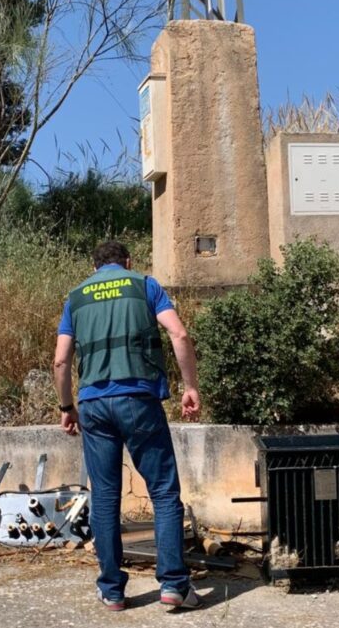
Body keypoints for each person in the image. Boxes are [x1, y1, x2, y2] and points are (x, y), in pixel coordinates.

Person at [52, 240, 203, 612]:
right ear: (128, 262)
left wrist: (66, 406)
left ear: (94, 268)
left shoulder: (76, 297)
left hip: (93, 405)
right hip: (139, 400)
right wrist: (190, 386)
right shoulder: (145, 285)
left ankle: (112, 589)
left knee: (104, 495)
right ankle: (173, 585)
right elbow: (179, 334)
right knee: (164, 492)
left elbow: (60, 360)